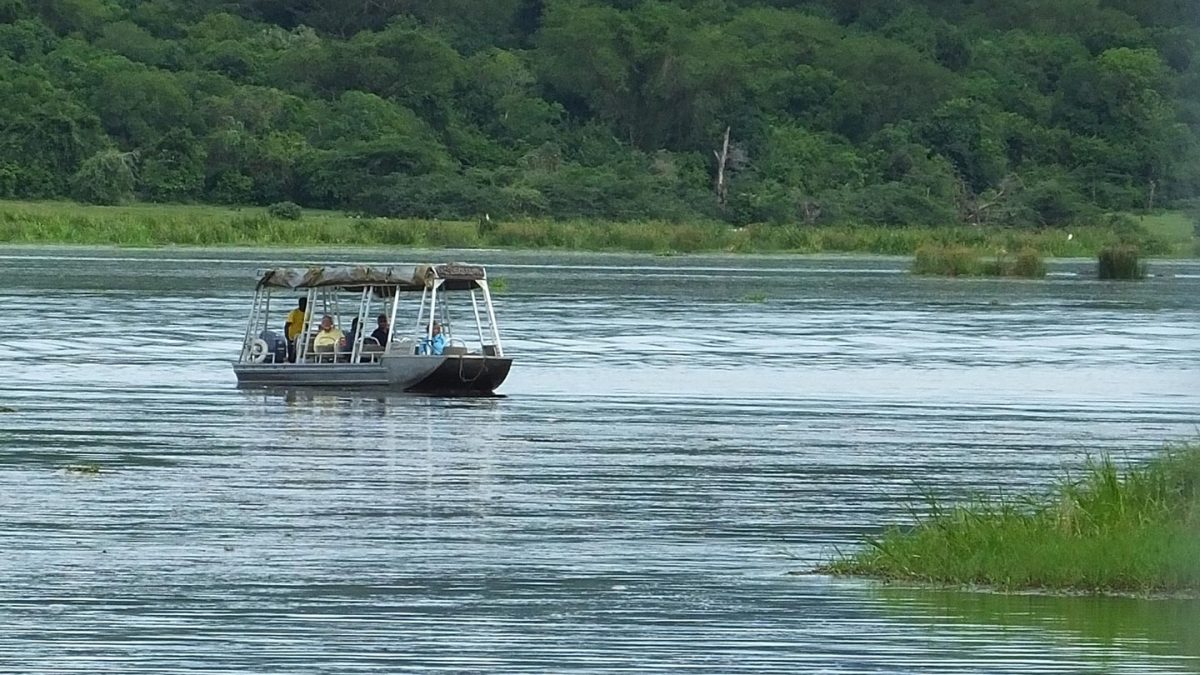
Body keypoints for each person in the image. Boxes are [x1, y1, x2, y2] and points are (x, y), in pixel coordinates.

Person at [284, 297, 308, 363]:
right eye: (302, 303)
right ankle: (290, 362)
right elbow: (286, 326)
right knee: (291, 353)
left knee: (298, 351)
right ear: (299, 304)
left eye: (305, 304)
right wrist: (287, 337)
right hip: (292, 336)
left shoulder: (307, 313)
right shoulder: (294, 313)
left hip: (301, 336)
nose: (303, 305)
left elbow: (307, 325)